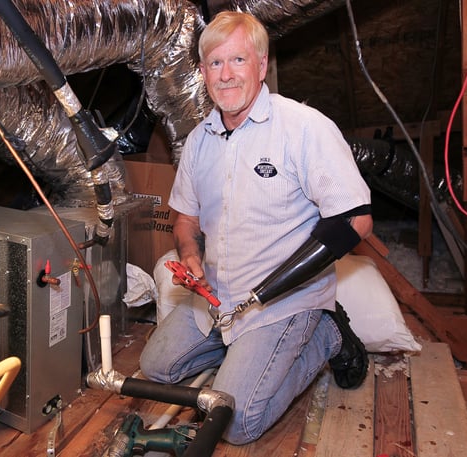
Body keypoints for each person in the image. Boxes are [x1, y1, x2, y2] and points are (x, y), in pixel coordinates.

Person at [139, 10, 373, 445]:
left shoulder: (303, 128)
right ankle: (242, 352)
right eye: (214, 63)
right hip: (219, 297)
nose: (226, 75)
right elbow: (185, 218)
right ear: (203, 71)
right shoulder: (199, 140)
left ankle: (327, 333)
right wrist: (189, 252)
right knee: (157, 368)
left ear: (261, 66)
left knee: (237, 422)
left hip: (283, 301)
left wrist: (275, 292)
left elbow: (355, 220)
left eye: (238, 61)